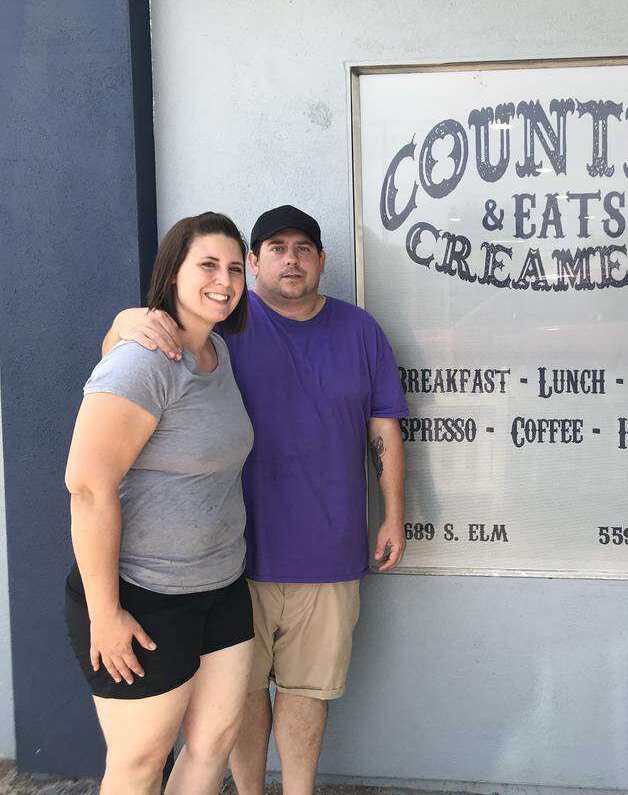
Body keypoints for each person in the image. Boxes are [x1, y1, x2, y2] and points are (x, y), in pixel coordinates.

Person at [104, 204, 410, 795]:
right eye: (276, 249)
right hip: (234, 559)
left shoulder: (360, 330)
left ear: (321, 260)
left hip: (329, 549)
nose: (291, 260)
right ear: (253, 262)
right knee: (238, 698)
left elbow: (385, 427)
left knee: (308, 692)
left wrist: (394, 516)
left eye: (303, 249)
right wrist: (125, 320)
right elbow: (131, 351)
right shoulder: (222, 327)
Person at [65, 212, 255, 794]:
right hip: (144, 597)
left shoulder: (215, 352)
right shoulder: (142, 359)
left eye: (234, 268)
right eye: (208, 265)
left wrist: (120, 323)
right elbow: (88, 487)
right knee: (141, 762)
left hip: (221, 587)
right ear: (173, 271)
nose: (224, 280)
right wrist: (104, 614)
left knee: (214, 744)